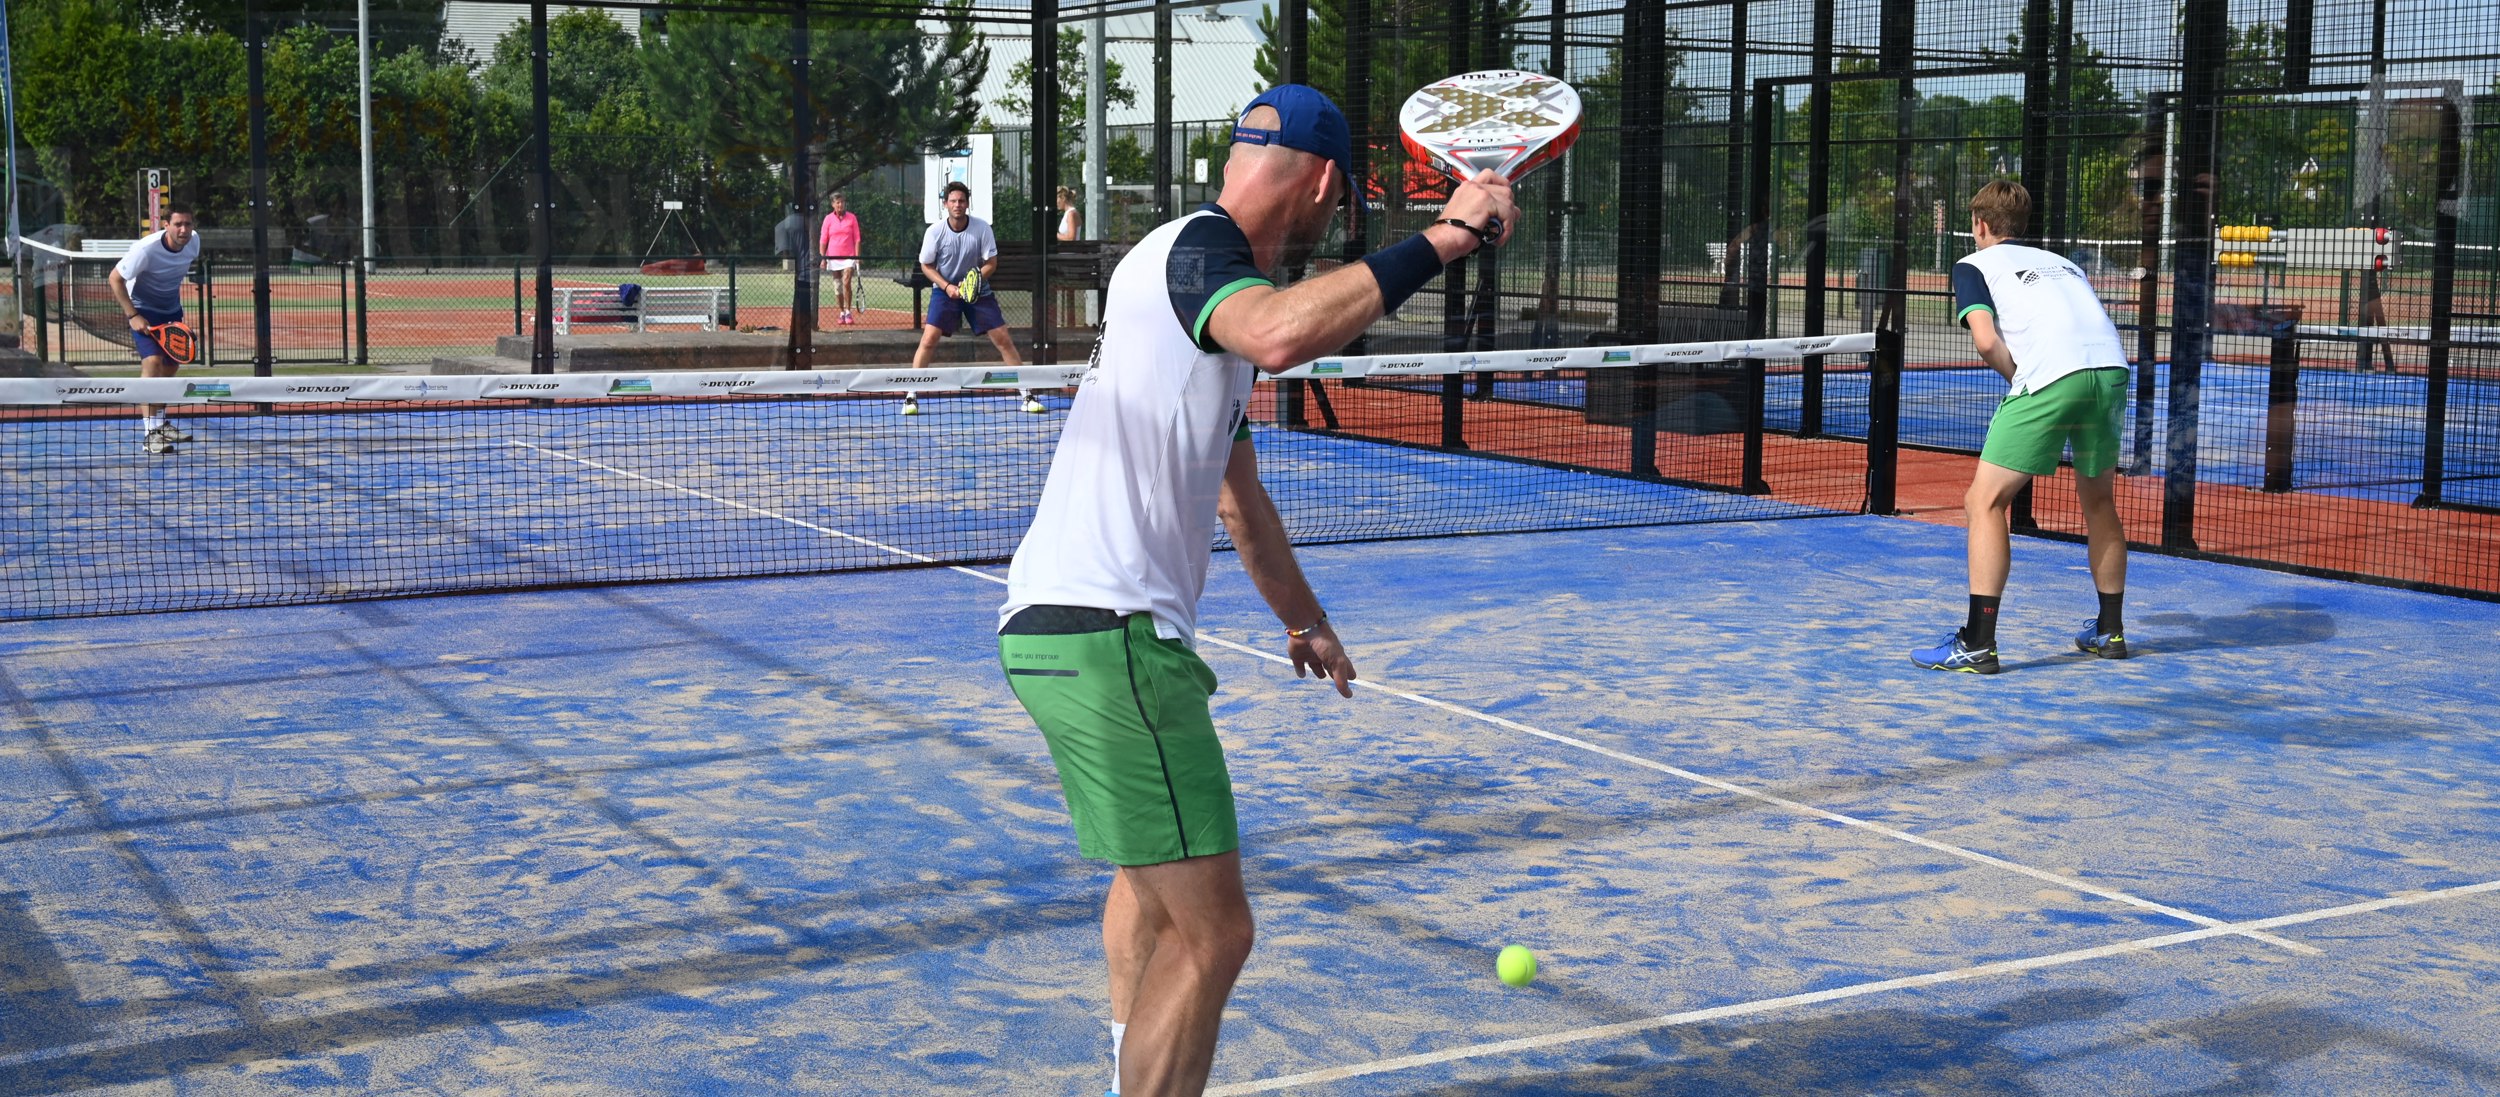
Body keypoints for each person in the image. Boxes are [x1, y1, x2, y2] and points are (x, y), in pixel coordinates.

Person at [996, 85, 1515, 1097]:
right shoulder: (1202, 254)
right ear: (1320, 183)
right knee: (1218, 930)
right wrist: (1446, 238)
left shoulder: (1178, 291)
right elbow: (1281, 333)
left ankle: (1126, 1068)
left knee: (1150, 888)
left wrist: (1304, 620)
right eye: (1337, 201)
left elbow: (1240, 505)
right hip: (1111, 639)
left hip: (1059, 632)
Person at [1913, 181, 2133, 674]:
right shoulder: (2065, 264)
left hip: (2053, 377)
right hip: (2113, 372)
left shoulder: (1973, 265)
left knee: (1984, 502)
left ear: (1981, 225)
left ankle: (1977, 644)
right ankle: (2110, 631)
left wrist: (2024, 382)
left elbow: (1987, 343)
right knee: (2099, 502)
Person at [908, 181, 1041, 414]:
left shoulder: (982, 229)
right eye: (953, 201)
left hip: (978, 291)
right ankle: (911, 396)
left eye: (961, 201)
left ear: (967, 204)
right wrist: (948, 286)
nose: (957, 205)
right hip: (944, 290)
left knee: (1003, 339)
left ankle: (1027, 395)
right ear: (945, 204)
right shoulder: (935, 232)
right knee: (929, 339)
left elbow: (991, 263)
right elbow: (926, 265)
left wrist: (973, 282)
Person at [109, 210, 201, 455]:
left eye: (187, 224)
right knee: (152, 363)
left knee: (171, 367)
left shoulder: (195, 242)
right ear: (166, 225)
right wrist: (133, 315)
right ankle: (150, 435)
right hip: (142, 310)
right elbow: (114, 279)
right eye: (178, 224)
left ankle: (161, 424)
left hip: (171, 311)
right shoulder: (146, 249)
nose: (183, 229)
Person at [821, 191, 864, 326]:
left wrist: (857, 257)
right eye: (838, 202)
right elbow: (823, 239)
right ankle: (841, 312)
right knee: (837, 287)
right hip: (833, 257)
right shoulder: (828, 219)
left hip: (849, 256)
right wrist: (823, 258)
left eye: (842, 202)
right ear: (833, 204)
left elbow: (857, 238)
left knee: (846, 282)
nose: (841, 205)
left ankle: (848, 311)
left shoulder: (852, 218)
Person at [1055, 185, 1086, 330]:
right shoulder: (1068, 214)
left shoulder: (1072, 214)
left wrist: (1055, 236)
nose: (1056, 203)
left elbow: (1071, 237)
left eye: (1057, 199)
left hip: (1070, 260)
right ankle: (1064, 322)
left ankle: (1069, 323)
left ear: (1062, 198)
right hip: (1065, 258)